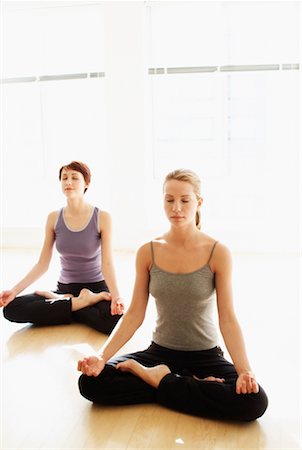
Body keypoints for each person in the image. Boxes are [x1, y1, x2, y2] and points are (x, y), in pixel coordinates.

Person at [77, 168, 268, 421]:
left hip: (205, 356)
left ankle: (159, 381)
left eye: (185, 200)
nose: (176, 207)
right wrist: (101, 357)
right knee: (91, 382)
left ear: (198, 203)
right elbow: (134, 314)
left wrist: (245, 371)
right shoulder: (148, 251)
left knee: (253, 401)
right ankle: (181, 384)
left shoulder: (218, 252)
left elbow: (228, 319)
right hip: (159, 353)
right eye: (169, 200)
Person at [1, 161, 124, 335]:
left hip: (96, 288)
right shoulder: (53, 218)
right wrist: (13, 291)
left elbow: (108, 264)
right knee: (12, 309)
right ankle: (79, 302)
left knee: (111, 320)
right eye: (64, 178)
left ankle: (64, 305)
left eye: (75, 178)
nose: (68, 182)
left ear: (87, 183)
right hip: (64, 290)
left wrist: (116, 295)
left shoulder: (102, 217)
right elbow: (42, 264)